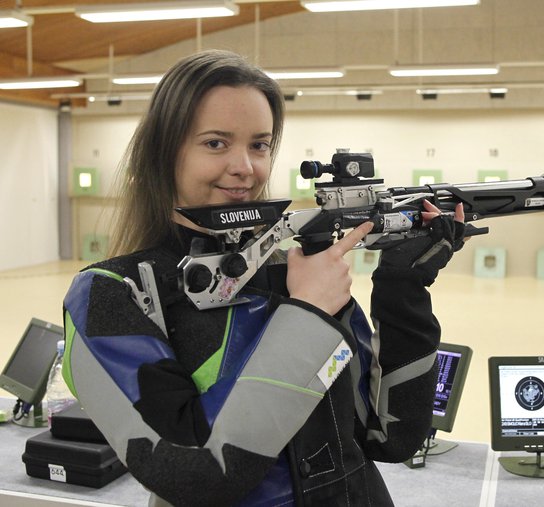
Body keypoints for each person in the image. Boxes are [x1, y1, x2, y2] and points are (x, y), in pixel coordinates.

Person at [62, 49, 465, 507]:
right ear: (163, 153)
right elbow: (194, 475)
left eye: (259, 144)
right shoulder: (114, 294)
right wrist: (308, 312)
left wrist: (402, 290)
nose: (246, 167)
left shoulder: (287, 272)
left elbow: (390, 437)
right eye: (216, 143)